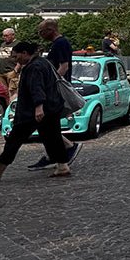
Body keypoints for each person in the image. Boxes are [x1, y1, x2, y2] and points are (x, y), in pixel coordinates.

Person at [0, 41, 70, 181]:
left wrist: (38, 107)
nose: (15, 59)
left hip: (33, 112)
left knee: (14, 140)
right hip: (51, 108)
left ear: (24, 53)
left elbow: (37, 88)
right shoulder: (43, 62)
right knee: (53, 138)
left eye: (16, 56)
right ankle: (62, 166)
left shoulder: (33, 67)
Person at [25, 19, 83, 172]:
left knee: (47, 123)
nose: (40, 35)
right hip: (54, 89)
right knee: (47, 124)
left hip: (55, 90)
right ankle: (54, 154)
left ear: (50, 30)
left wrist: (50, 84)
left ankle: (63, 149)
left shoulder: (60, 43)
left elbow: (64, 66)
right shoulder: (58, 44)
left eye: (41, 32)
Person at [0, 28, 19, 96]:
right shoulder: (3, 44)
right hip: (1, 73)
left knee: (12, 91)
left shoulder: (17, 44)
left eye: (6, 35)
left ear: (13, 35)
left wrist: (15, 70)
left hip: (11, 72)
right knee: (3, 92)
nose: (4, 37)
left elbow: (21, 59)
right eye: (3, 36)